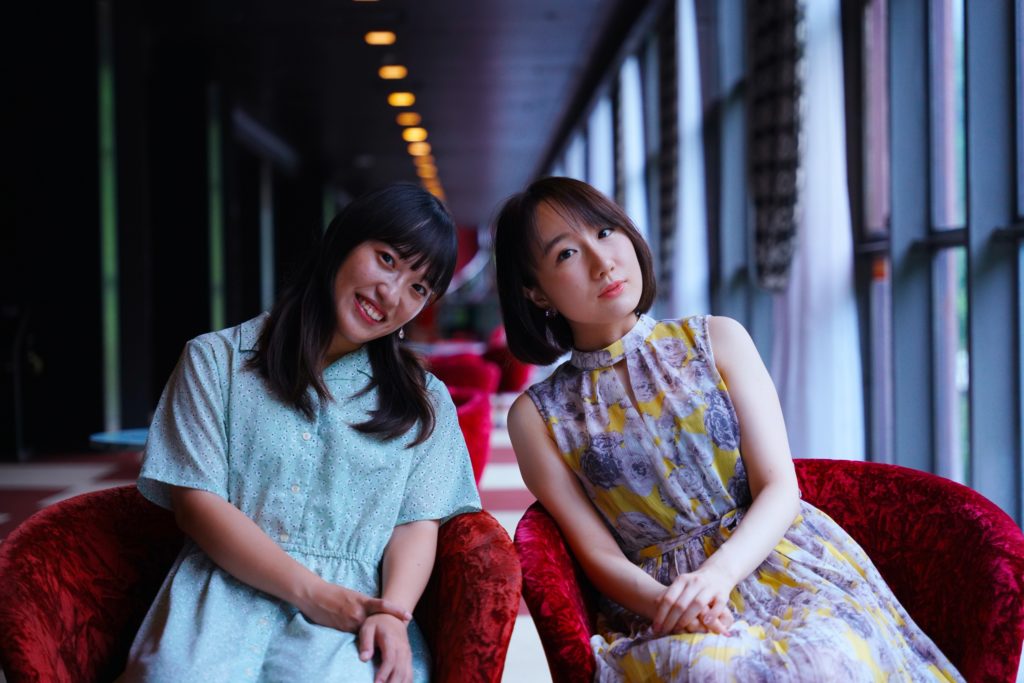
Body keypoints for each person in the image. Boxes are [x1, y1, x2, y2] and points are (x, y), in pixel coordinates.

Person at [494, 177, 963, 682]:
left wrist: (718, 576)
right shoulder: (536, 416)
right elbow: (597, 554)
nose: (602, 261)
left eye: (605, 232)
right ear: (536, 291)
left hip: (778, 561)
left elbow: (780, 487)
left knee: (824, 661)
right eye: (566, 253)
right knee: (708, 671)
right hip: (660, 601)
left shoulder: (717, 339)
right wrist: (676, 604)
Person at [120, 184, 481, 683]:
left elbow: (416, 523)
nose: (392, 294)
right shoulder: (215, 361)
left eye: (419, 288)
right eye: (387, 259)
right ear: (343, 242)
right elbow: (197, 504)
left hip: (357, 613)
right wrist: (313, 593)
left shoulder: (426, 401)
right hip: (220, 591)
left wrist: (393, 614)